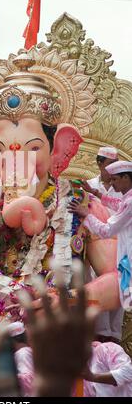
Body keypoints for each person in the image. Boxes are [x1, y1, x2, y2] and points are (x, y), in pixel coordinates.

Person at [69, 160, 132, 358]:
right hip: (121, 256)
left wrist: (86, 214)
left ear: (126, 178)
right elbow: (117, 203)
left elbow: (107, 230)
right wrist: (96, 195)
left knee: (112, 298)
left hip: (124, 256)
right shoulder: (128, 197)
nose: (112, 184)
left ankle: (106, 354)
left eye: (115, 180)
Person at [83, 147, 123, 344]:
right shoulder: (87, 186)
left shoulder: (124, 187)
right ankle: (98, 336)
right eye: (109, 165)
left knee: (120, 285)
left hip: (121, 244)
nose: (113, 169)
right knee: (95, 284)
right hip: (95, 246)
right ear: (99, 164)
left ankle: (113, 339)